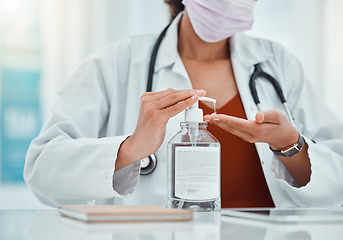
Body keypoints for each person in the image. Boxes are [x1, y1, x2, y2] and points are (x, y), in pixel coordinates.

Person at [24, 0, 343, 208]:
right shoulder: (117, 63)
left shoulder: (279, 64)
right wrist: (132, 148)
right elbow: (42, 170)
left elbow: (338, 181)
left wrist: (290, 145)